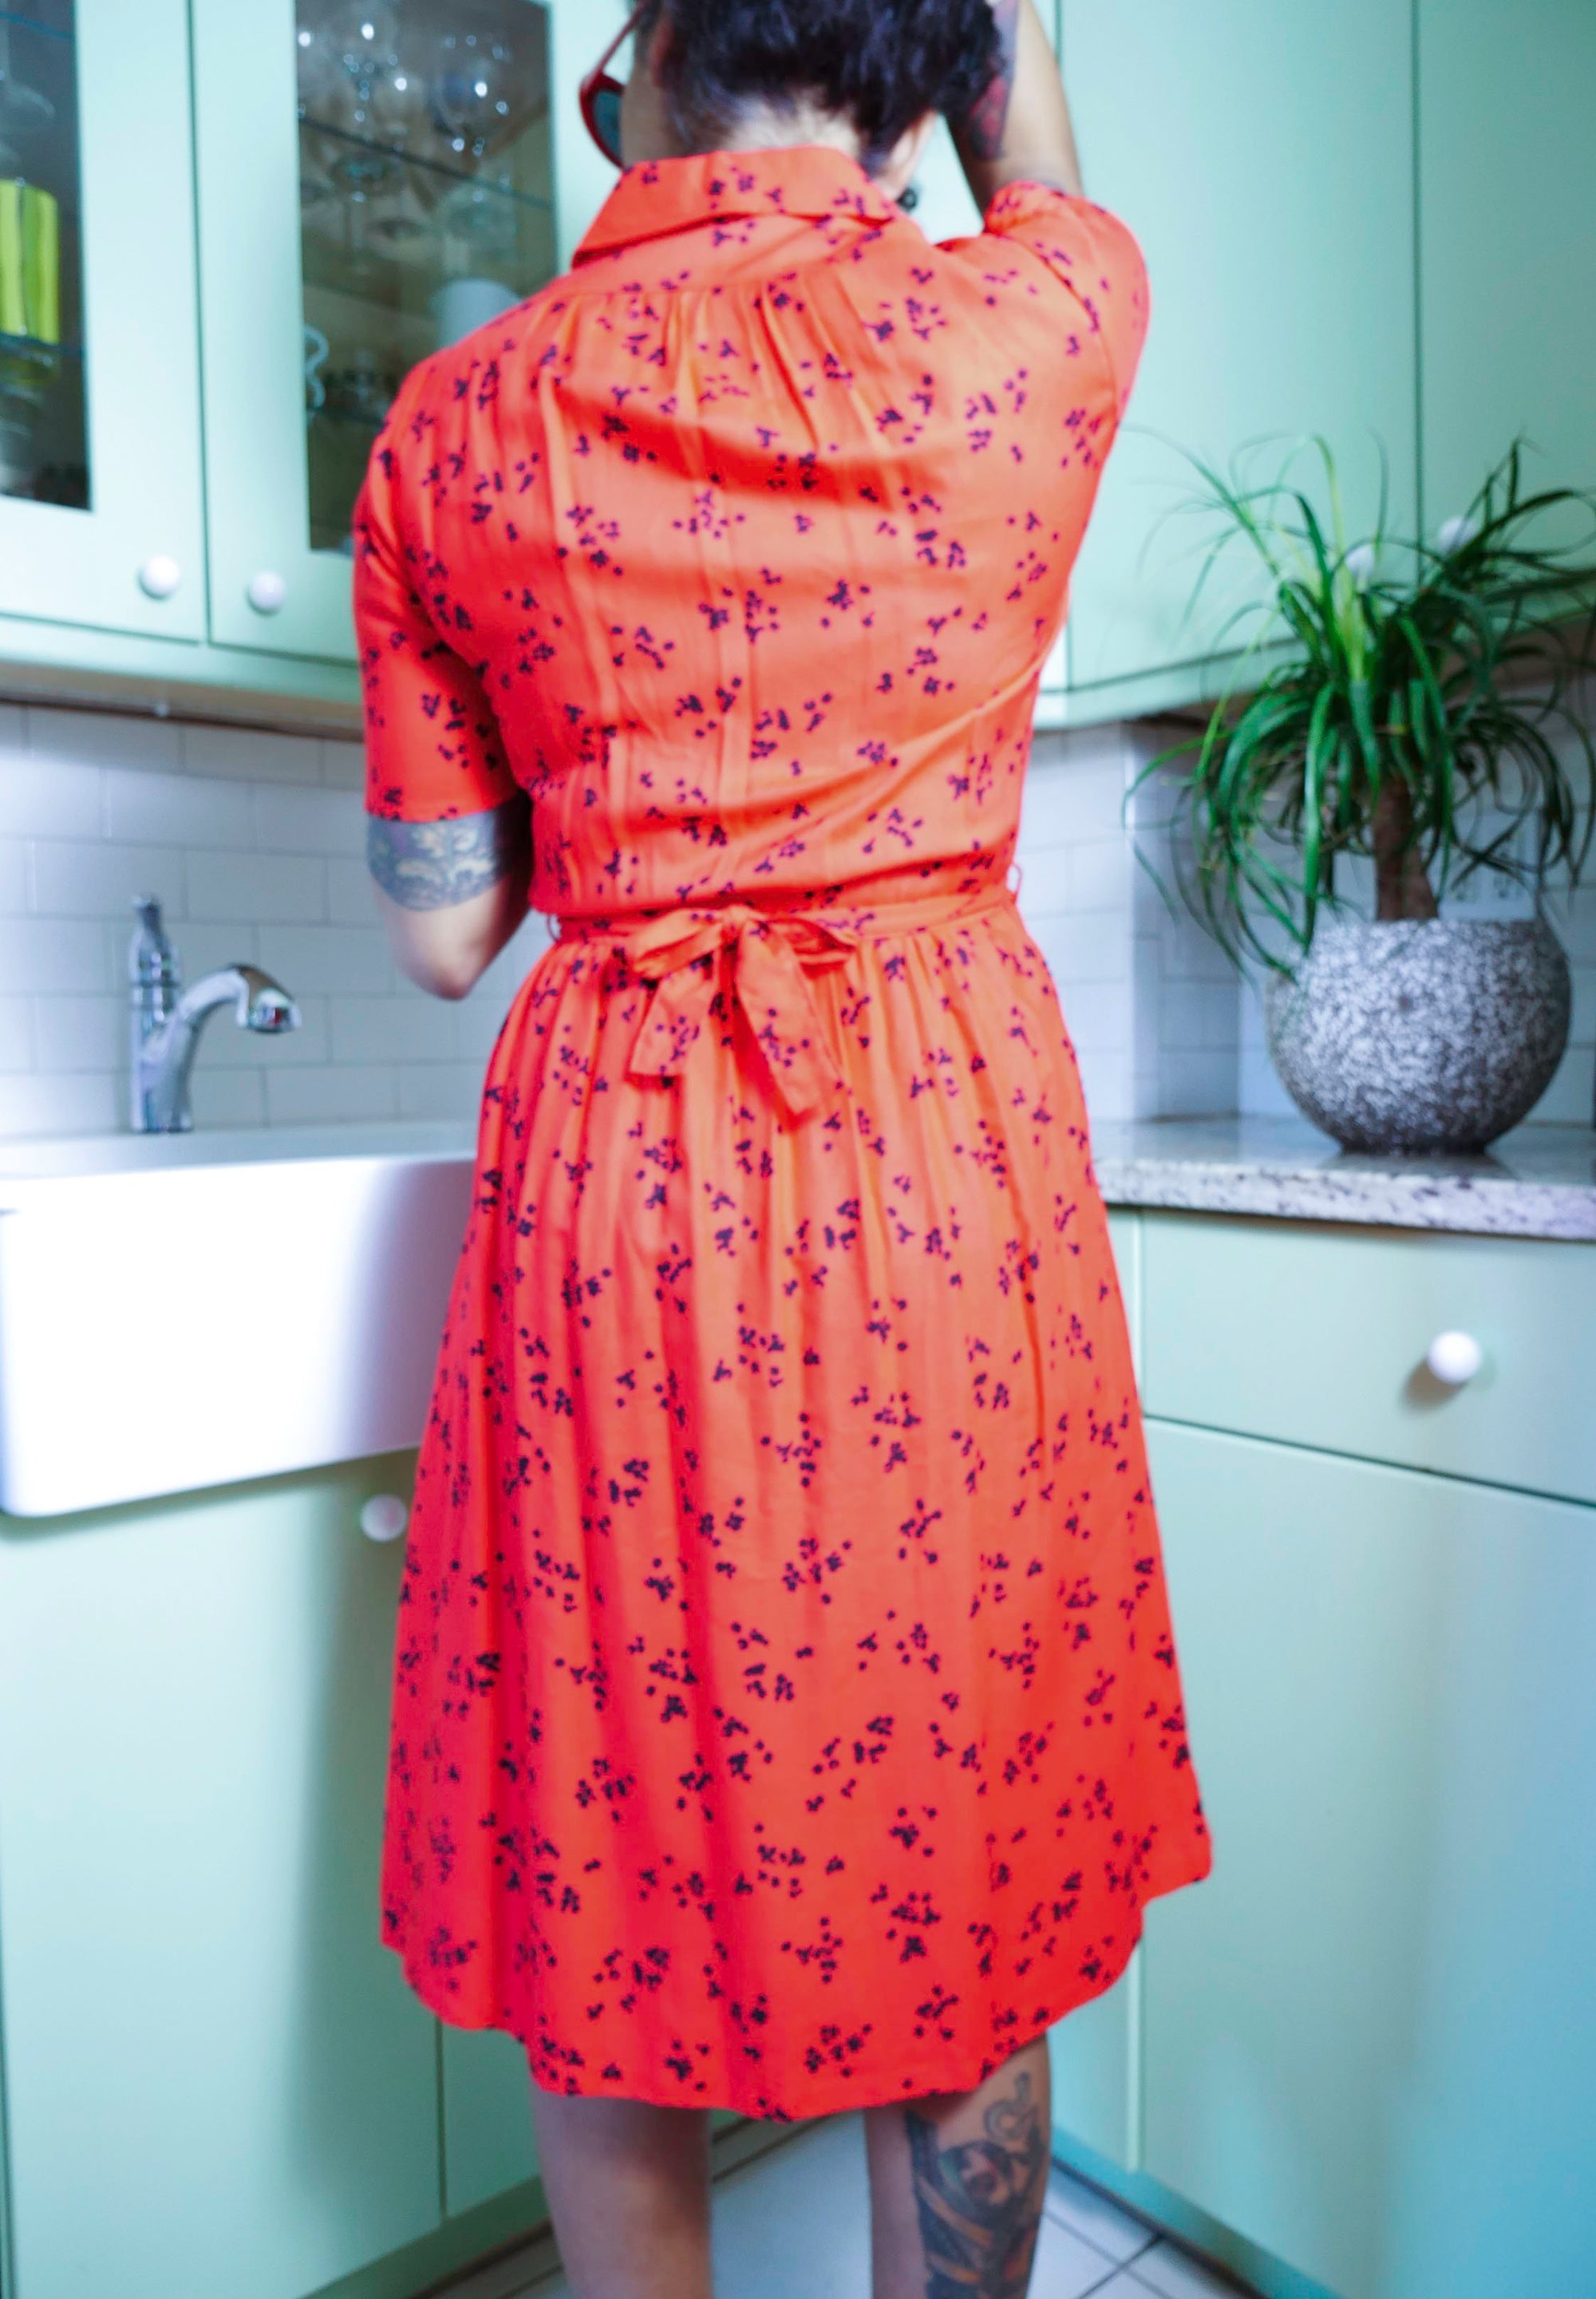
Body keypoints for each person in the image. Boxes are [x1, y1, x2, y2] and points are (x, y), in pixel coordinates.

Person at [356, 4, 1212, 2293]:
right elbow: (1051, 180)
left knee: (596, 1829)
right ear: (941, 63)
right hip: (938, 1161)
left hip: (619, 1168)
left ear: (640, 52)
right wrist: (1003, 47)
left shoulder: (462, 418)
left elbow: (448, 932)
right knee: (973, 1841)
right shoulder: (1041, 320)